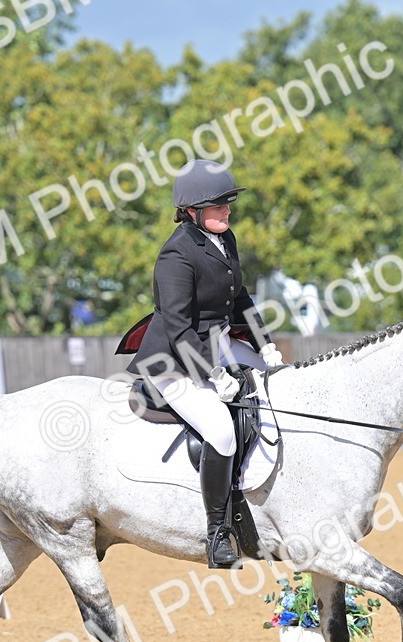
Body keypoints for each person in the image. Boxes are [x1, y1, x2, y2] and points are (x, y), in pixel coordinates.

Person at [116, 160, 283, 568]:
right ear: (192, 210)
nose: (228, 210)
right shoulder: (176, 254)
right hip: (173, 360)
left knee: (280, 385)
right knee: (222, 432)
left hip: (218, 343)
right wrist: (214, 374)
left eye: (228, 203)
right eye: (218, 205)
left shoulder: (225, 239)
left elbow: (239, 298)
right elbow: (175, 323)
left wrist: (266, 345)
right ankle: (218, 534)